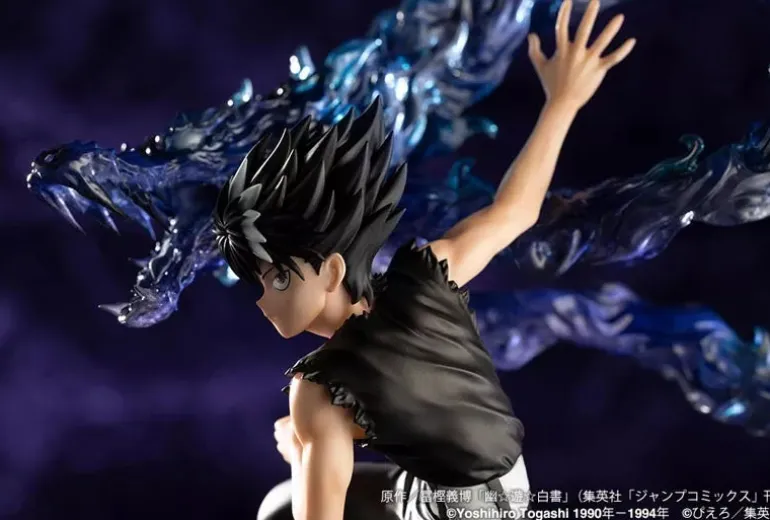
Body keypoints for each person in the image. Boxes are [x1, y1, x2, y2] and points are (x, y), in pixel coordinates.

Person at [212, 1, 635, 518]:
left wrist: (302, 452)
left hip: (459, 510)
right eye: (257, 281)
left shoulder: (317, 390)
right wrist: (562, 102)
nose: (262, 300)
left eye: (278, 277)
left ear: (333, 269)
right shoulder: (426, 274)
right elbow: (514, 212)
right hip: (504, 489)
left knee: (279, 508)